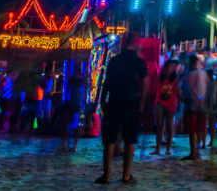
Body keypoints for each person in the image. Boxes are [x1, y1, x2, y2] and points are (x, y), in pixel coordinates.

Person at [96, 31, 148, 184]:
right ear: (135, 43)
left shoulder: (114, 60)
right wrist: (142, 102)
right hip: (131, 102)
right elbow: (146, 82)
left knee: (109, 139)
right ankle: (126, 175)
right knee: (130, 139)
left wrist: (102, 101)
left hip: (113, 101)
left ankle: (107, 175)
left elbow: (106, 82)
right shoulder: (138, 61)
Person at [182, 53, 209, 161]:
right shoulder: (204, 74)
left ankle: (193, 153)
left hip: (192, 106)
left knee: (192, 130)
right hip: (203, 106)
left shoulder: (189, 75)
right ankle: (196, 151)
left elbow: (189, 91)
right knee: (199, 129)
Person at [153, 59, 180, 155]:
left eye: (173, 67)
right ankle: (158, 148)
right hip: (160, 102)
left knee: (169, 126)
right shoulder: (160, 77)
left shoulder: (175, 79)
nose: (171, 69)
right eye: (169, 66)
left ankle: (168, 149)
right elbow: (156, 89)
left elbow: (177, 91)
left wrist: (180, 101)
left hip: (171, 103)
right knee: (159, 125)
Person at [60, 73, 84, 152]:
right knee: (77, 126)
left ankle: (66, 144)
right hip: (76, 105)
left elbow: (67, 93)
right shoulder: (80, 84)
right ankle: (73, 145)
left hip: (71, 105)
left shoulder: (71, 84)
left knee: (67, 125)